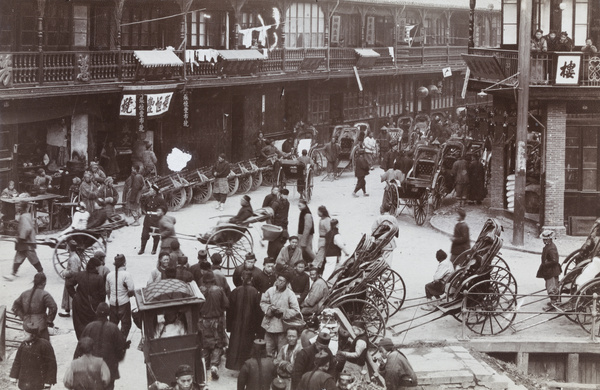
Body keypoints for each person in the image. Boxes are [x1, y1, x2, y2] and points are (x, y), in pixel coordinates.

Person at [77, 302, 127, 390]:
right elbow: (120, 350)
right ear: (109, 313)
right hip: (109, 368)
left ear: (96, 312)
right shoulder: (114, 328)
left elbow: (79, 348)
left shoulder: (89, 327)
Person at [227, 270, 263, 370]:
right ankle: (245, 366)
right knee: (247, 345)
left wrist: (229, 327)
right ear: (251, 279)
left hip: (236, 324)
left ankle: (234, 365)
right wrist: (257, 328)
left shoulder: (235, 291)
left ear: (242, 279)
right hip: (250, 325)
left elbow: (229, 311)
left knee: (235, 344)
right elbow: (258, 312)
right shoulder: (255, 292)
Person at [260, 272, 301, 357]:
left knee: (281, 352)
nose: (280, 282)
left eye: (282, 281)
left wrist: (283, 311)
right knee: (268, 351)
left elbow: (296, 310)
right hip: (268, 326)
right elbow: (263, 302)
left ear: (287, 283)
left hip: (281, 328)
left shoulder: (290, 294)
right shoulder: (270, 290)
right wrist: (269, 309)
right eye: (278, 280)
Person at [198, 270, 229, 380]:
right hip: (217, 321)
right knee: (217, 343)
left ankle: (204, 364)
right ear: (213, 280)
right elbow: (226, 304)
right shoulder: (219, 290)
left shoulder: (199, 291)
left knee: (205, 343)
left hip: (203, 321)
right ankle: (214, 365)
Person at [67, 258, 106, 339]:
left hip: (79, 305)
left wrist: (74, 295)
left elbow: (68, 284)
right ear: (95, 267)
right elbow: (102, 296)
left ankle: (82, 342)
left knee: (80, 326)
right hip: (93, 307)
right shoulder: (99, 278)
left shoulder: (79, 275)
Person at [9, 324, 57, 390]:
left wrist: (48, 382)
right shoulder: (23, 345)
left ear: (33, 336)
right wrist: (13, 377)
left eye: (25, 335)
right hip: (24, 382)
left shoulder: (44, 345)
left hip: (39, 383)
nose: (23, 336)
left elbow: (51, 364)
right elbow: (17, 361)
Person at [12, 272, 57, 341]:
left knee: (29, 346)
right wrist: (49, 321)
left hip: (27, 325)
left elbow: (15, 306)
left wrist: (23, 317)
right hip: (40, 325)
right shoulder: (45, 294)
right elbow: (53, 308)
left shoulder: (25, 293)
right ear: (44, 282)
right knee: (44, 346)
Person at [5, 202, 44, 280]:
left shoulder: (24, 217)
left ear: (21, 208)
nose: (17, 208)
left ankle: (41, 272)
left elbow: (27, 228)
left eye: (18, 207)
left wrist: (21, 237)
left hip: (27, 242)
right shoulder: (27, 215)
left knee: (33, 258)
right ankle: (13, 273)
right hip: (25, 242)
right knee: (19, 257)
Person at [106, 254, 135, 340]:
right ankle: (122, 340)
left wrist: (110, 298)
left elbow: (107, 290)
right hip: (124, 302)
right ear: (124, 263)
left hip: (112, 303)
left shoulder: (109, 275)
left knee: (113, 324)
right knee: (126, 324)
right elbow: (131, 290)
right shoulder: (126, 275)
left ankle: (113, 340)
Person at [139, 184, 167, 255]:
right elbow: (145, 207)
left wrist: (159, 214)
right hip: (147, 220)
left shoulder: (160, 199)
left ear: (155, 191)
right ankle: (142, 249)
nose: (150, 191)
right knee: (144, 235)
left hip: (156, 220)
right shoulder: (147, 199)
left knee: (156, 236)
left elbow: (165, 209)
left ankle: (154, 250)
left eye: (151, 190)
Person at [537, 230, 562, 309]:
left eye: (545, 239)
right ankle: (553, 301)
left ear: (549, 239)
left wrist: (545, 263)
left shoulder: (551, 248)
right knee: (550, 285)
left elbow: (554, 260)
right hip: (550, 270)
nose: (543, 241)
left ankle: (554, 303)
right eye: (543, 239)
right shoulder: (549, 246)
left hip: (552, 271)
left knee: (552, 286)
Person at [59, 240, 82, 318]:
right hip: (71, 279)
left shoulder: (73, 258)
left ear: (69, 247)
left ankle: (72, 311)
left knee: (70, 295)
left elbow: (73, 271)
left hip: (72, 280)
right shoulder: (74, 256)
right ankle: (67, 310)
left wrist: (64, 273)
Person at [313, 206, 332, 273]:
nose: (317, 213)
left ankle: (315, 267)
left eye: (318, 211)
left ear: (322, 212)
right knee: (321, 254)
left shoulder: (326, 220)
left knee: (320, 254)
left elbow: (329, 231)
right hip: (321, 239)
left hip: (324, 239)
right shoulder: (322, 219)